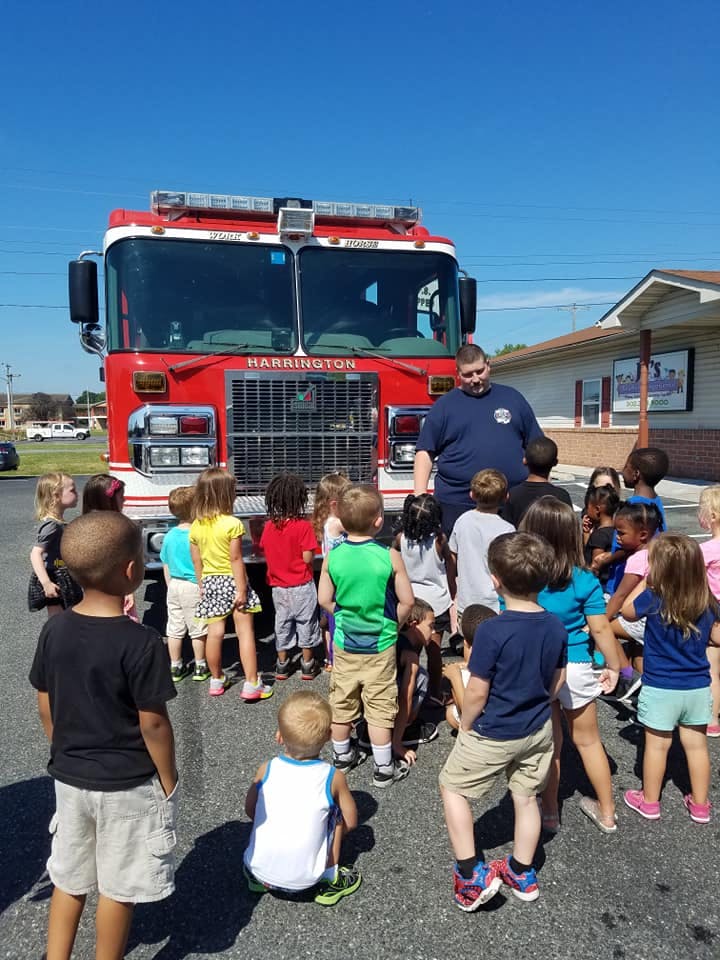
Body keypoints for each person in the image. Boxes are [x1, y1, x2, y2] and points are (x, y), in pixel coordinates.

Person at [29, 511, 178, 960]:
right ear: (131, 571)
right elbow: (153, 722)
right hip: (127, 783)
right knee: (118, 885)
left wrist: (59, 745)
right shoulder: (142, 642)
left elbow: (44, 700)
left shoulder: (54, 629)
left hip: (70, 777)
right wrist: (168, 776)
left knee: (68, 877)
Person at [439, 532, 567, 910]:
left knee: (452, 787)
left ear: (495, 580)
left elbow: (477, 690)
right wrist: (539, 700)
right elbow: (558, 680)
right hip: (538, 727)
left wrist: (466, 723)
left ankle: (470, 874)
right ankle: (521, 871)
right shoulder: (556, 625)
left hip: (494, 730)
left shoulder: (492, 630)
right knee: (526, 798)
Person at [519, 498, 621, 834]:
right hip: (576, 663)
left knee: (551, 744)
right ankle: (607, 812)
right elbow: (600, 629)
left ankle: (550, 812)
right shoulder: (583, 579)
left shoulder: (521, 579)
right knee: (589, 741)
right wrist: (614, 666)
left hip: (538, 666)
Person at [318, 484, 414, 787]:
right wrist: (394, 626)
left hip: (345, 642)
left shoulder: (333, 556)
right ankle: (384, 768)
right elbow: (407, 601)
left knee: (343, 700)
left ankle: (342, 757)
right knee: (379, 704)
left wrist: (342, 617)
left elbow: (324, 599)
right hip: (381, 644)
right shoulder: (390, 556)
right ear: (379, 520)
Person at [622, 534, 720, 824]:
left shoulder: (654, 597)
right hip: (697, 686)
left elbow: (627, 611)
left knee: (657, 745)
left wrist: (645, 582)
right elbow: (717, 636)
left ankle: (650, 801)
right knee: (696, 746)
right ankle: (700, 805)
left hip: (660, 686)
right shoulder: (706, 599)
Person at [243, 690, 361, 905]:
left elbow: (250, 809)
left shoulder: (267, 768)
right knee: (336, 816)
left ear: (279, 736)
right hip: (306, 880)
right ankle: (330, 878)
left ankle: (258, 879)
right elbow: (351, 821)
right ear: (329, 736)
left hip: (257, 868)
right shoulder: (332, 776)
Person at [413, 343, 543, 535]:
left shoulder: (513, 398)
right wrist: (419, 497)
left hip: (510, 501)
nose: (475, 379)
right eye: (468, 374)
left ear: (488, 365)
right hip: (458, 503)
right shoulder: (444, 406)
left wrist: (541, 486)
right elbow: (425, 451)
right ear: (458, 373)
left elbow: (537, 447)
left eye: (479, 371)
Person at [189, 467, 272, 701]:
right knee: (245, 632)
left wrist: (202, 584)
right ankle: (252, 683)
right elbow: (236, 558)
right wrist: (242, 588)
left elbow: (196, 560)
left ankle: (216, 678)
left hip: (210, 581)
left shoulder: (196, 525)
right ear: (227, 494)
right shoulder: (232, 524)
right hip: (232, 580)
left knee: (214, 633)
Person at [394, 493, 456, 702]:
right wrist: (453, 591)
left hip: (410, 600)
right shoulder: (439, 540)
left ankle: (407, 689)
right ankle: (435, 693)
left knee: (409, 649)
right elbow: (450, 566)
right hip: (437, 602)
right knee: (434, 651)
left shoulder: (401, 539)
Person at [260, 472, 322, 681]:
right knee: (306, 622)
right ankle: (307, 664)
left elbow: (266, 550)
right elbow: (307, 558)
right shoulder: (303, 526)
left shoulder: (269, 525)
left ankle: (282, 664)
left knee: (282, 622)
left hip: (278, 587)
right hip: (302, 584)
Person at [602, 502, 663, 700]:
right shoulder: (660, 551)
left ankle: (626, 675)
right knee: (640, 653)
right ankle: (647, 689)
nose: (617, 537)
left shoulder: (638, 559)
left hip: (641, 617)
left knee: (606, 629)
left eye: (621, 533)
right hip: (657, 614)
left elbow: (620, 596)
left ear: (643, 535)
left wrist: (602, 620)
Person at [448, 469, 514, 620]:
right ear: (506, 497)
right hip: (496, 602)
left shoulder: (462, 521)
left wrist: (452, 584)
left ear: (472, 494)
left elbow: (452, 556)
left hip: (467, 599)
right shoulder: (508, 529)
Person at [160, 485, 209, 683]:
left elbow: (165, 562)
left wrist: (169, 584)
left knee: (174, 628)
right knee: (198, 629)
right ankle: (200, 664)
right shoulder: (197, 535)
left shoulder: (169, 535)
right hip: (193, 585)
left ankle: (175, 665)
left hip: (174, 585)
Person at [82, 474, 138, 621]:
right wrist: (128, 590)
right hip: (116, 586)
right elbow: (124, 561)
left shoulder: (83, 526)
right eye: (121, 497)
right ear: (108, 501)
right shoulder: (117, 527)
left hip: (91, 589)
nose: (124, 500)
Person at [28, 473, 82, 618]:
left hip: (62, 574)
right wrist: (46, 583)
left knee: (67, 617)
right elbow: (35, 554)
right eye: (72, 490)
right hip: (54, 578)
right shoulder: (52, 525)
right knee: (57, 619)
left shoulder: (59, 523)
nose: (77, 493)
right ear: (56, 496)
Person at [313, 472, 351, 671]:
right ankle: (338, 658)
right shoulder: (337, 523)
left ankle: (329, 658)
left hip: (328, 575)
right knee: (338, 618)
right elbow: (358, 525)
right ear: (335, 503)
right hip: (340, 576)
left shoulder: (325, 521)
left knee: (327, 620)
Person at [444, 604, 497, 732]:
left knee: (451, 713)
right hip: (514, 720)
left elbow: (467, 710)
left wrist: (454, 677)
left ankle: (470, 735)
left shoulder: (467, 675)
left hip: (487, 727)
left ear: (467, 645)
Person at [501, 436, 573, 527]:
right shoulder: (562, 496)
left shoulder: (513, 495)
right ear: (555, 463)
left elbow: (507, 528)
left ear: (524, 461)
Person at [698, 486, 720, 736]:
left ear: (712, 516)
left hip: (714, 612)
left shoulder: (706, 551)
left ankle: (712, 719)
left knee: (712, 667)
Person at [583, 484, 621, 586]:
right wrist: (586, 532)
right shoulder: (616, 531)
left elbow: (596, 566)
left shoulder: (599, 535)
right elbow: (590, 549)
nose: (586, 510)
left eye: (588, 506)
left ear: (597, 509)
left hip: (599, 585)